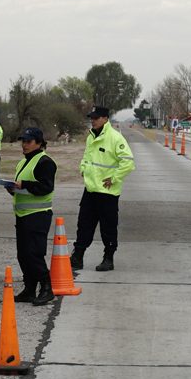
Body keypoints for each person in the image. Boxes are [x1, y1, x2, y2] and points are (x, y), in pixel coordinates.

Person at [71, 106, 135, 272]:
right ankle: (77, 256)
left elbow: (128, 162)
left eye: (96, 117)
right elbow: (87, 156)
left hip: (108, 193)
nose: (93, 120)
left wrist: (114, 178)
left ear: (105, 118)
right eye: (91, 117)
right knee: (83, 225)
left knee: (108, 228)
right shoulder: (91, 136)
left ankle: (108, 258)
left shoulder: (115, 138)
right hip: (90, 190)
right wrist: (83, 168)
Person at [7, 127, 58, 306]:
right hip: (23, 215)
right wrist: (13, 188)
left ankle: (46, 288)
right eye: (23, 141)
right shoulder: (23, 163)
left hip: (37, 216)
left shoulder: (45, 162)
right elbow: (25, 189)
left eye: (28, 141)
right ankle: (30, 289)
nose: (24, 144)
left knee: (34, 254)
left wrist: (24, 184)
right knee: (23, 255)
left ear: (39, 143)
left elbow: (46, 187)